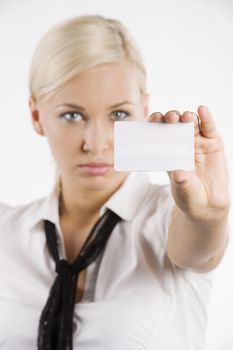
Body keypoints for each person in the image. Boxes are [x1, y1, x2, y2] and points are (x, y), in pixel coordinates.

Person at [0, 14, 230, 350]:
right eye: (72, 115)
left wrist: (207, 216)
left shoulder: (168, 216)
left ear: (144, 109)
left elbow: (199, 250)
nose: (95, 143)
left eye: (118, 114)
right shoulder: (5, 232)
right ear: (37, 116)